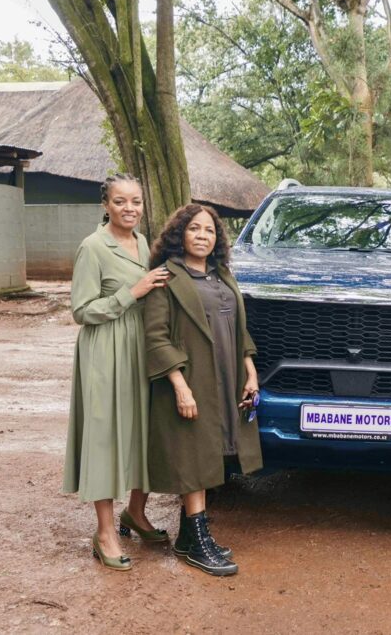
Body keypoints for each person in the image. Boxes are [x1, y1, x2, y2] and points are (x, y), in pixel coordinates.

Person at [144, 203, 263, 577]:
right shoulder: (166, 278)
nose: (202, 235)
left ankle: (187, 538)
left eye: (209, 230)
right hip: (191, 378)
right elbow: (156, 338)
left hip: (226, 377)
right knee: (194, 457)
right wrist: (180, 387)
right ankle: (197, 542)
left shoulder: (222, 275)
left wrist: (250, 371)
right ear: (180, 234)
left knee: (212, 452)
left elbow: (239, 328)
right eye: (194, 229)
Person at [63, 173, 172, 572]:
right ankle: (105, 532)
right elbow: (81, 310)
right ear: (105, 205)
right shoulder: (93, 247)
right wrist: (133, 292)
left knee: (142, 431)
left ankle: (136, 513)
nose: (131, 209)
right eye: (121, 202)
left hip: (139, 348)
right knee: (106, 437)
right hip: (106, 350)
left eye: (137, 202)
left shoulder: (143, 242)